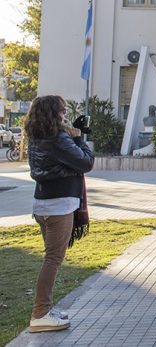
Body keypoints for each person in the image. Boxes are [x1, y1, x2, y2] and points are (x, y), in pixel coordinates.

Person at [25, 95, 94, 333]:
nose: (64, 114)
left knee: (51, 258)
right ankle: (40, 314)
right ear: (53, 113)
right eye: (62, 111)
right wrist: (80, 139)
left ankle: (46, 309)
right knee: (53, 259)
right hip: (59, 206)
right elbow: (85, 163)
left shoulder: (36, 136)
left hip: (43, 203)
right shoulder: (58, 138)